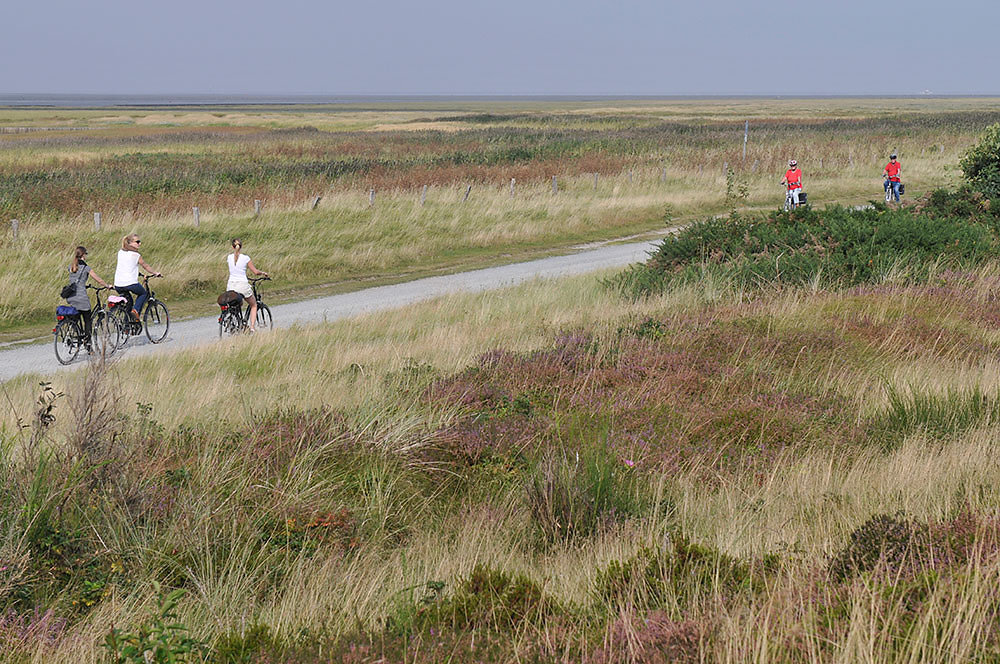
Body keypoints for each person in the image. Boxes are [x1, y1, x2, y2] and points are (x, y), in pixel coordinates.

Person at [64, 246, 111, 351]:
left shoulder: (71, 266)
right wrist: (107, 285)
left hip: (71, 297)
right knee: (88, 320)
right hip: (81, 298)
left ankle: (75, 332)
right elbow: (98, 279)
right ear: (83, 255)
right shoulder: (86, 268)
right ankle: (88, 344)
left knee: (76, 316)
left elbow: (75, 280)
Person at [114, 233, 161, 322]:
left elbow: (127, 266)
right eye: (137, 242)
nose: (139, 244)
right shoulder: (136, 255)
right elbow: (145, 266)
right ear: (130, 243)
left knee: (129, 302)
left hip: (118, 284)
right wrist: (155, 273)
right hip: (130, 283)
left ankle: (127, 325)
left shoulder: (120, 252)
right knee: (143, 293)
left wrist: (139, 274)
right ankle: (135, 311)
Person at [226, 238, 269, 332]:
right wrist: (263, 273)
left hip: (231, 286)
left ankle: (238, 321)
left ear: (233, 247)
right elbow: (255, 272)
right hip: (242, 285)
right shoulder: (245, 258)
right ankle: (252, 328)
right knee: (253, 305)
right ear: (241, 246)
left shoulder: (229, 257)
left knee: (237, 303)